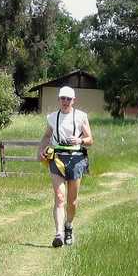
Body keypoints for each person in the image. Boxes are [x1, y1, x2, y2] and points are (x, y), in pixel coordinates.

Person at [38, 86, 93, 248]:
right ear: (59, 99)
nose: (65, 102)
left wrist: (80, 141)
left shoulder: (81, 116)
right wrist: (41, 150)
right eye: (63, 98)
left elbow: (90, 139)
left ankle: (68, 226)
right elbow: (47, 136)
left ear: (73, 100)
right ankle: (58, 234)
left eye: (68, 99)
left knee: (72, 201)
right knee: (60, 197)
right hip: (57, 158)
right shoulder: (52, 117)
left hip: (76, 159)